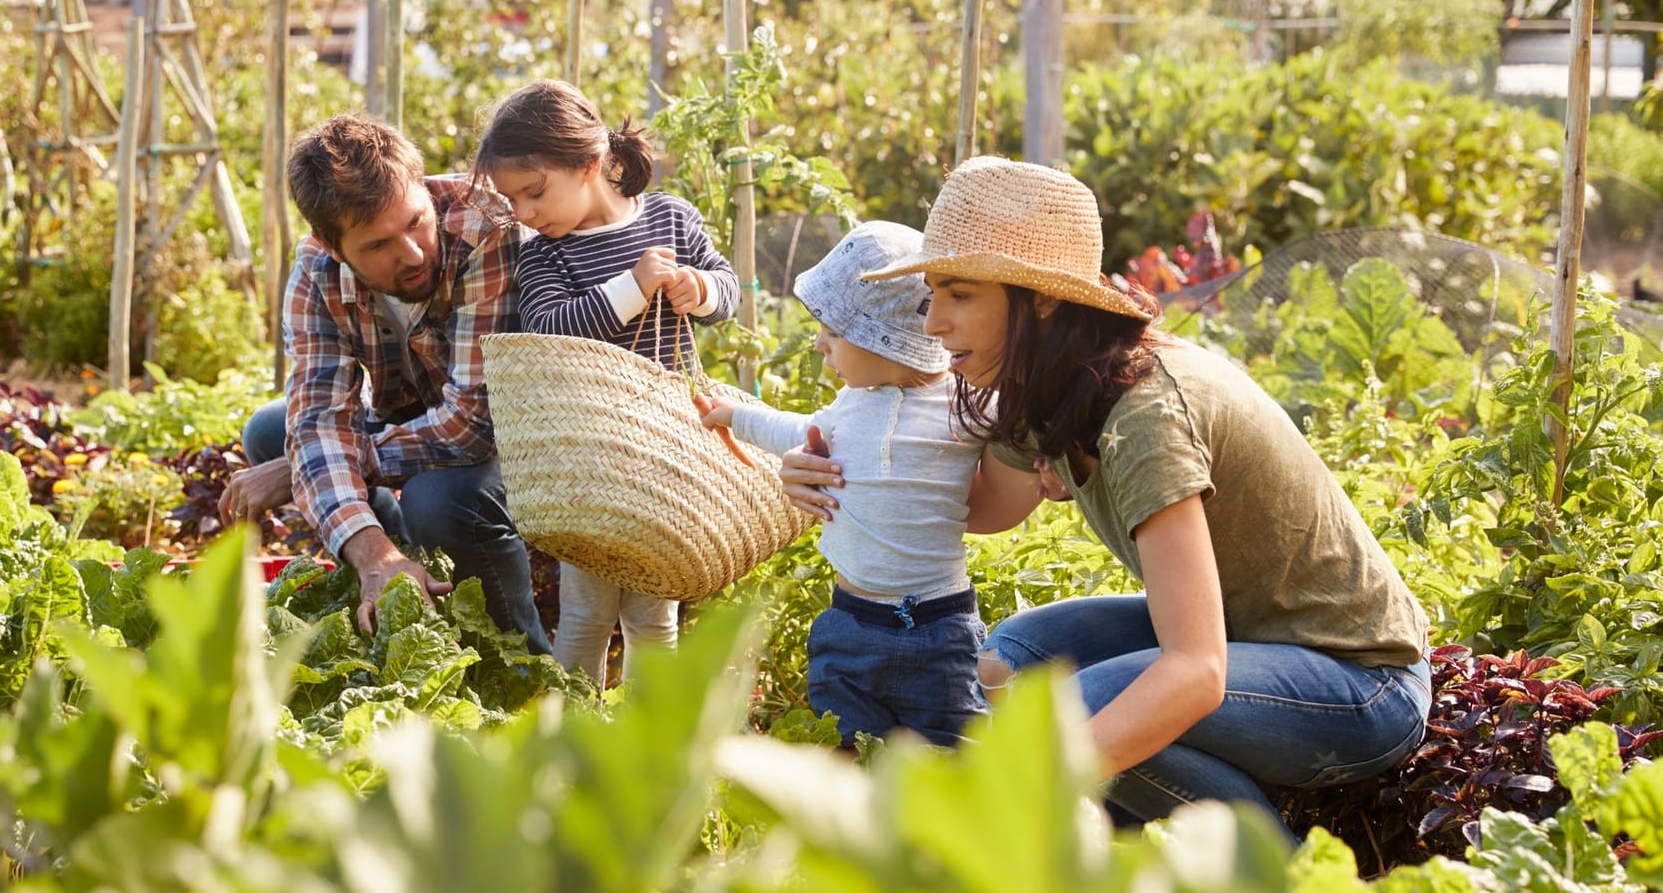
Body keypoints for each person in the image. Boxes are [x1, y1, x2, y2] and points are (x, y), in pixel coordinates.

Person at [787, 156, 1431, 829]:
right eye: (933, 294)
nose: (933, 323)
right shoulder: (1048, 389)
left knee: (1075, 716)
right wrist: (831, 469)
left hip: (1360, 681)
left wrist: (1020, 793)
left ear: (1039, 297)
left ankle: (1271, 865)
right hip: (1252, 641)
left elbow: (1195, 671)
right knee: (1015, 663)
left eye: (960, 294)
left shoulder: (1147, 417)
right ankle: (1143, 831)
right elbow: (982, 508)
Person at [218, 113, 550, 653]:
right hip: (420, 417)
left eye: (415, 222)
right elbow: (318, 416)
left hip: (507, 434)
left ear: (424, 191)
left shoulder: (483, 229)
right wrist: (373, 551)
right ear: (331, 245)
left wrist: (320, 464)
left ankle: (524, 661)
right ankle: (398, 590)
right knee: (272, 431)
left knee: (439, 500)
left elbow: (470, 425)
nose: (413, 253)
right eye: (378, 245)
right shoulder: (315, 274)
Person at [476, 78, 738, 686]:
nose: (525, 214)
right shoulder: (544, 256)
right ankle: (573, 739)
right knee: (586, 612)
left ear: (590, 164)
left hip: (663, 449)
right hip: (588, 462)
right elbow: (547, 327)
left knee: (655, 611)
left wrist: (698, 291)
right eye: (512, 200)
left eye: (534, 193)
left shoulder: (671, 219)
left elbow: (726, 289)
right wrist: (633, 286)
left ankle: (650, 738)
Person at [702, 221, 989, 747]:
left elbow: (1027, 423)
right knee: (844, 745)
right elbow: (792, 428)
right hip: (850, 621)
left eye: (834, 333)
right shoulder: (846, 408)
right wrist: (735, 415)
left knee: (954, 753)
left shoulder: (966, 407)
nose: (820, 345)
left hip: (940, 629)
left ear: (887, 342)